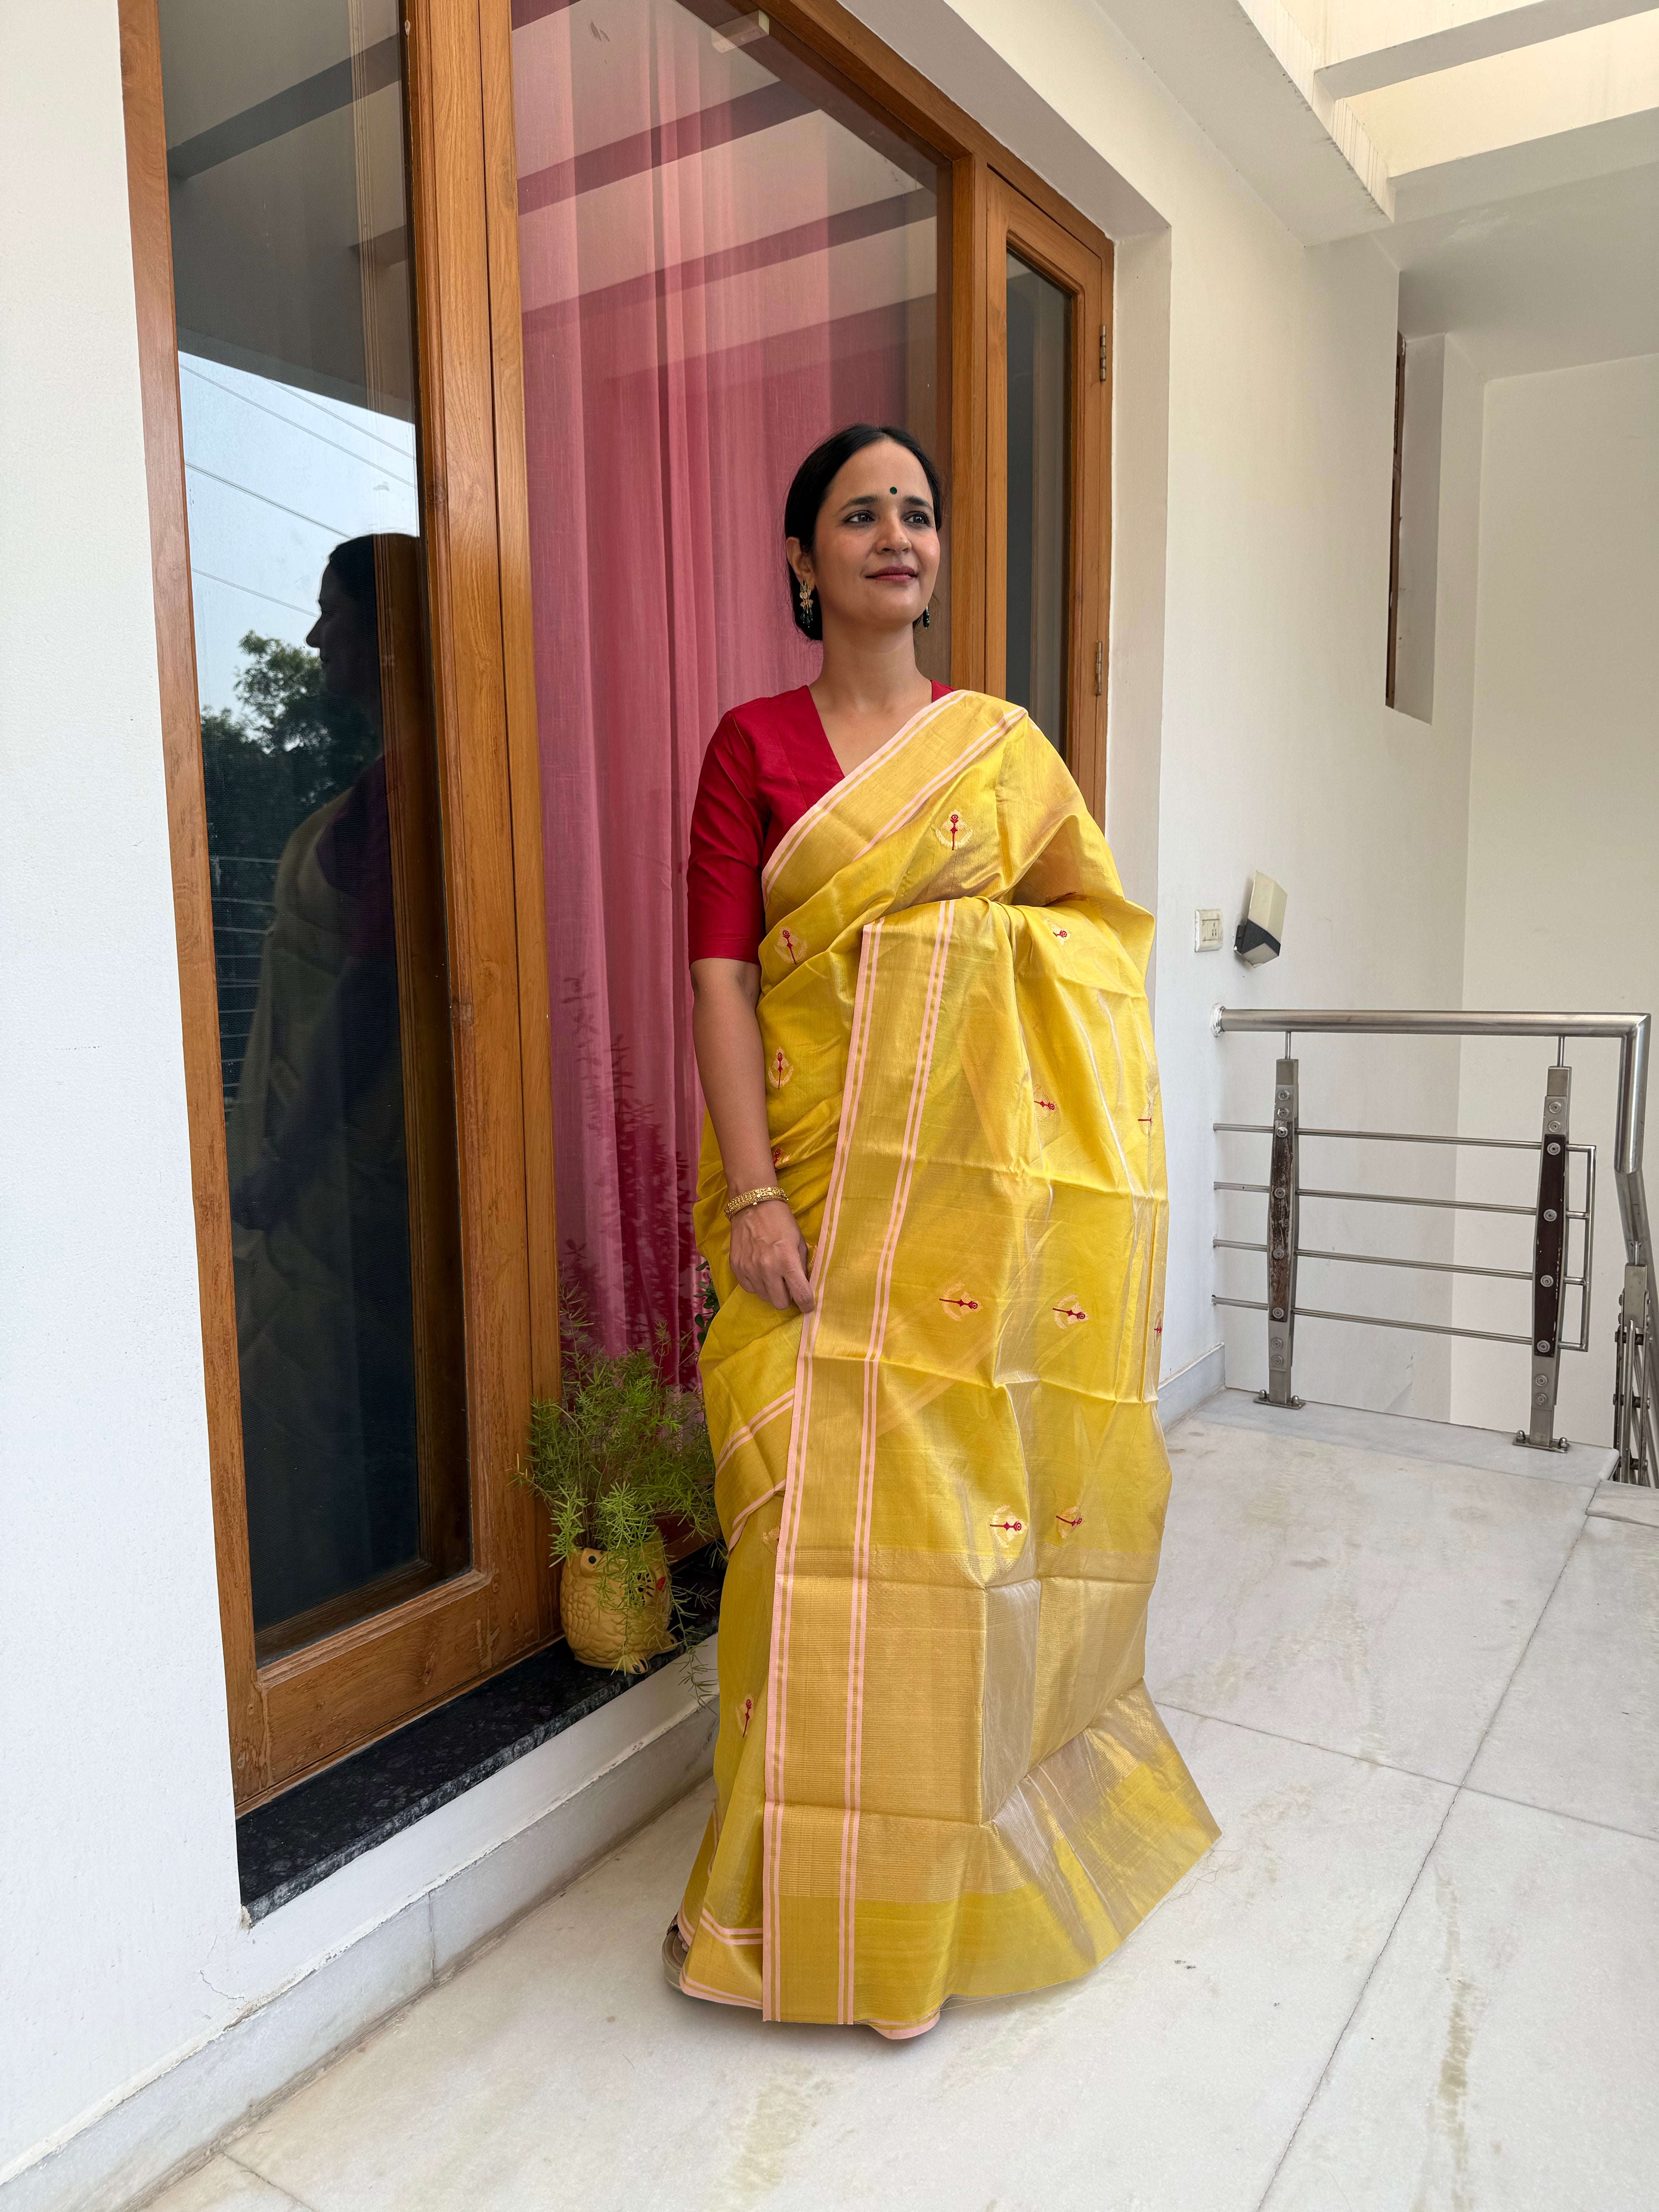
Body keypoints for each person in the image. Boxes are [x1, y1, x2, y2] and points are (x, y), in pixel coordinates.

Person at [668, 423, 1217, 2037]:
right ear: (802, 561)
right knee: (796, 1550)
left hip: (964, 1223)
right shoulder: (752, 746)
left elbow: (1094, 945)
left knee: (944, 1558)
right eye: (858, 513)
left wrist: (970, 959)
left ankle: (918, 1913)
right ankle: (788, 1910)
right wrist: (758, 1193)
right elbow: (717, 974)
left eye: (917, 510)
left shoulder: (1001, 758)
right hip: (811, 1202)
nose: (895, 533)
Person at [227, 536, 421, 1630]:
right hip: (320, 1183)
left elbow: (370, 997)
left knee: (306, 1413)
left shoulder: (413, 789)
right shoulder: (379, 786)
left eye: (330, 614)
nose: (312, 639)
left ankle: (324, 1635)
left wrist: (283, 1167)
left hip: (337, 1192)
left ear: (386, 634)